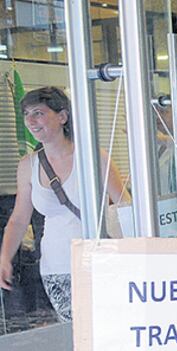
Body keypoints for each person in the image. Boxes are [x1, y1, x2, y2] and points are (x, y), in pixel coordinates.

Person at [0, 87, 128, 322]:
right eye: (26, 114)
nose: (30, 120)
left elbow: (124, 205)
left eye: (38, 112)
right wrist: (5, 258)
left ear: (62, 116)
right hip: (56, 265)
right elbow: (19, 218)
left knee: (109, 328)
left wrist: (136, 253)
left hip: (100, 261)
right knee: (76, 334)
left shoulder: (92, 157)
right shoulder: (28, 165)